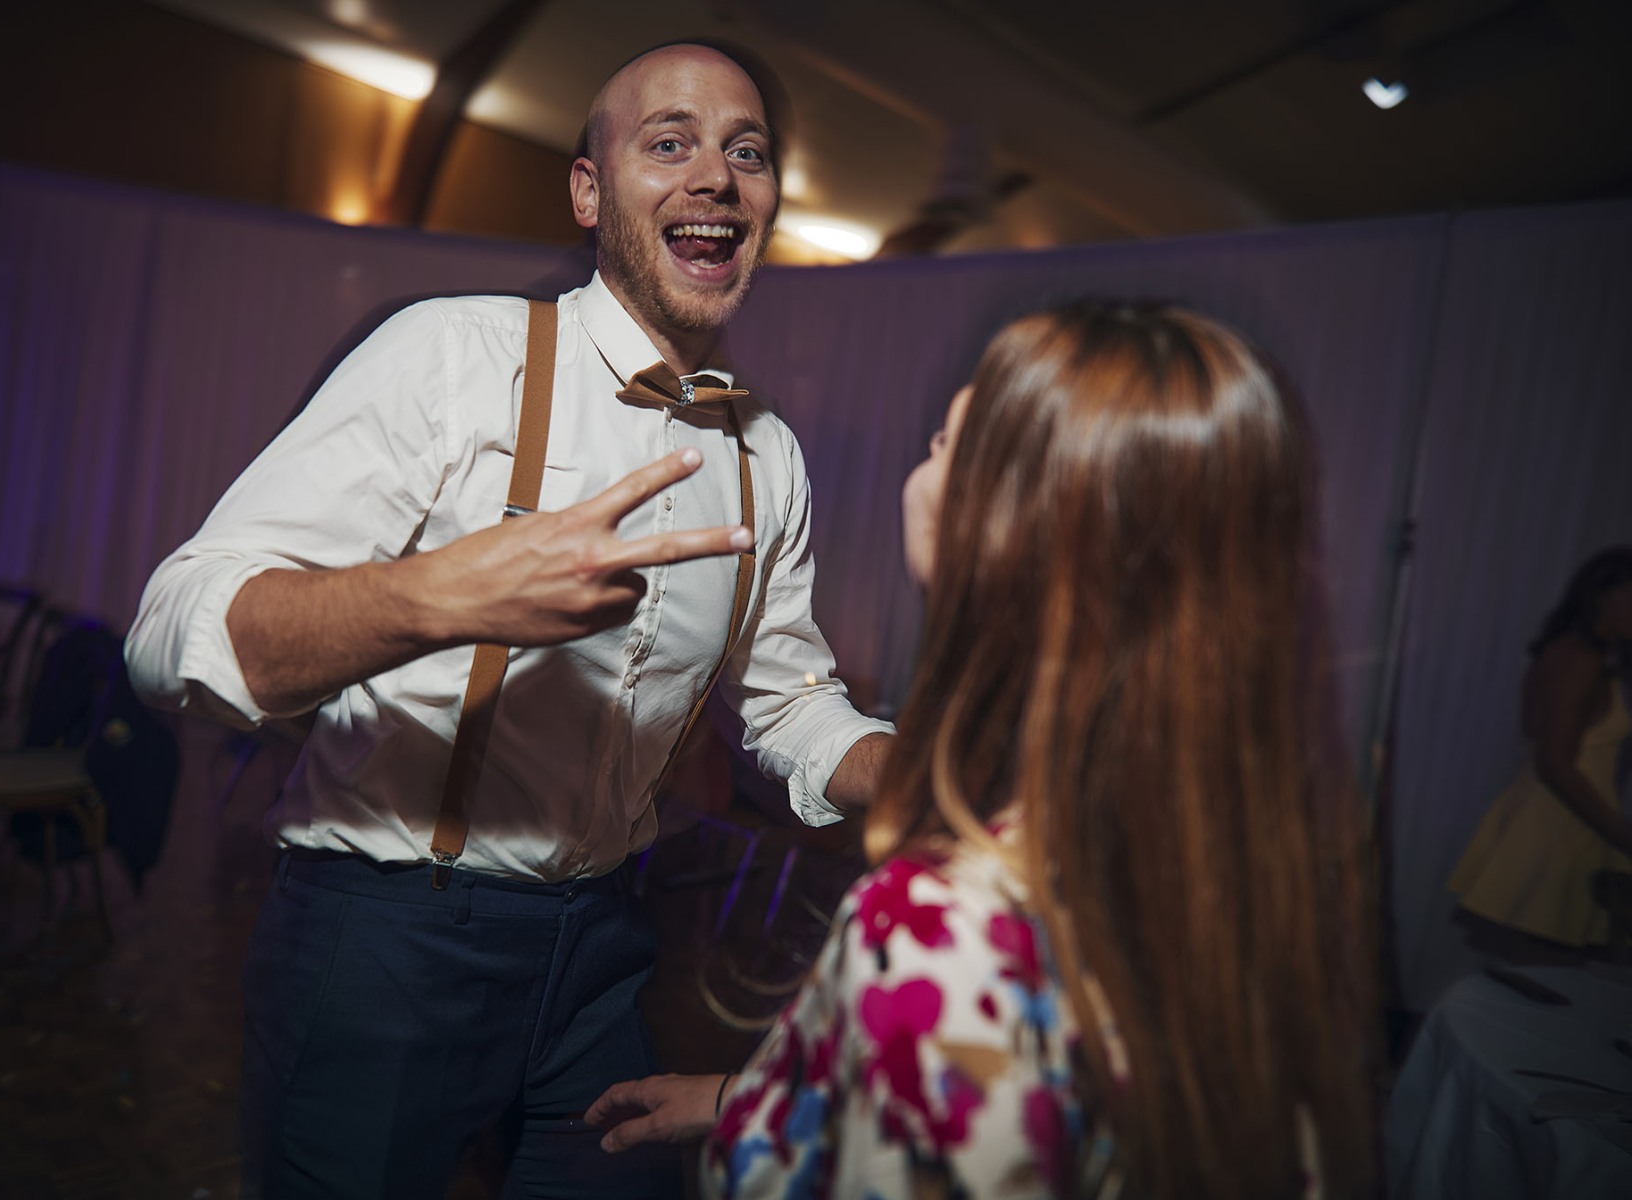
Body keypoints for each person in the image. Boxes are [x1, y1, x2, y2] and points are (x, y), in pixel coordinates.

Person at [126, 41, 892, 1200]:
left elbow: (786, 703)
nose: (716, 176)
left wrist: (915, 773)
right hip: (388, 934)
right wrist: (430, 596)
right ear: (589, 191)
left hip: (603, 946)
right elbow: (169, 627)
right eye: (670, 142)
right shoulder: (452, 358)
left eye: (747, 153)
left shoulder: (766, 454)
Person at [587, 301, 1379, 1199]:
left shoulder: (939, 930)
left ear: (1011, 527)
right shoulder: (1253, 869)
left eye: (950, 443)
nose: (924, 464)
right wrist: (755, 1098)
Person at [1447, 546, 1632, 950]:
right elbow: (1554, 764)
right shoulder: (1578, 660)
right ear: (1603, 595)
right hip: (1559, 827)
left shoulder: (1583, 657)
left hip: (1567, 823)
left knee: (1544, 971)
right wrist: (1623, 835)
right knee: (1542, 972)